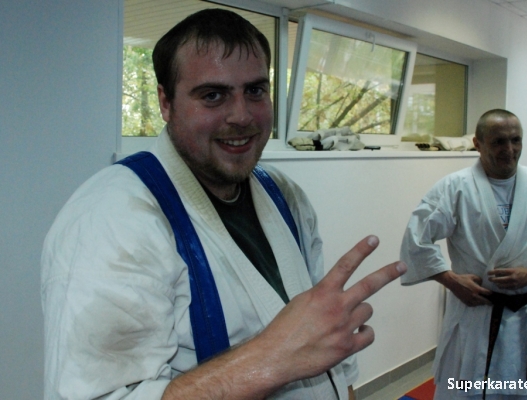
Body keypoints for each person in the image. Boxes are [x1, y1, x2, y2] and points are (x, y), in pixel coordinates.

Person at [41, 9, 406, 400]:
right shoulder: (113, 219)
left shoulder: (285, 195)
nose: (241, 116)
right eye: (212, 95)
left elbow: (324, 333)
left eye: (255, 91)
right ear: (165, 102)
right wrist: (270, 358)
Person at [400, 109, 527, 399]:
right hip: (475, 313)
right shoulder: (454, 187)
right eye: (499, 141)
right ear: (478, 143)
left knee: (522, 391)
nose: (509, 149)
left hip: (526, 316)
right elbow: (416, 239)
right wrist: (451, 280)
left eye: (515, 140)